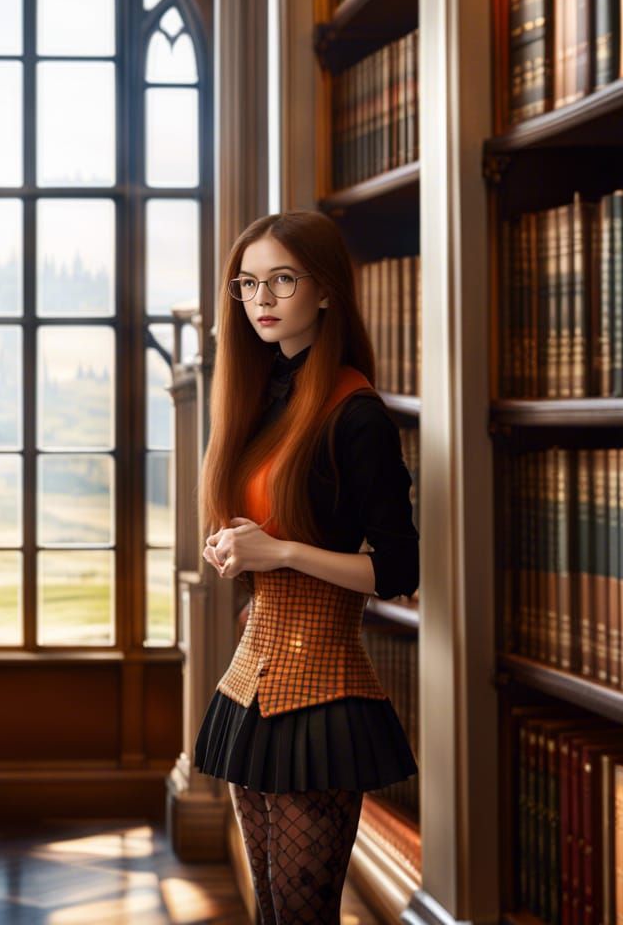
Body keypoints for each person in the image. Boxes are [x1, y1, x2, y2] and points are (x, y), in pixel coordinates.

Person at [193, 209, 419, 925]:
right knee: (271, 912)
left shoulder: (357, 415)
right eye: (249, 283)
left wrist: (277, 551)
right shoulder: (260, 399)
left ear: (324, 291)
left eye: (281, 280)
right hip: (247, 687)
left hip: (322, 695)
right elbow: (260, 522)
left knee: (301, 914)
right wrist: (233, 543)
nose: (261, 299)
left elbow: (398, 570)